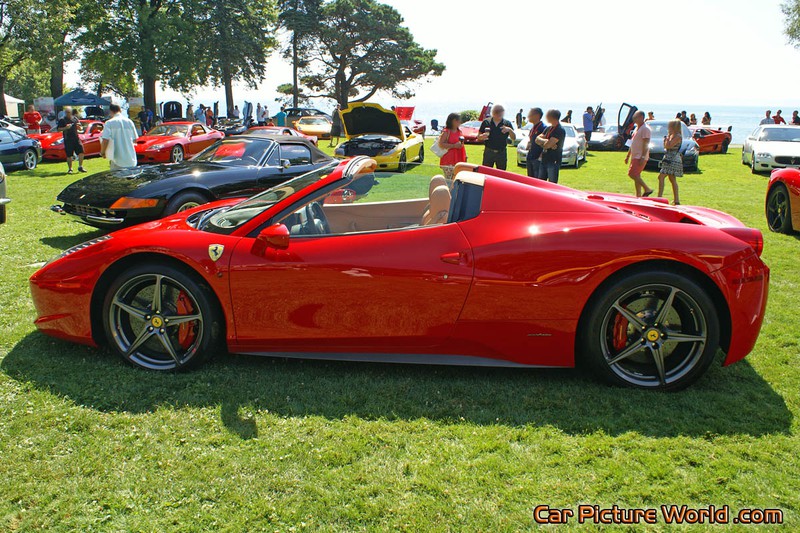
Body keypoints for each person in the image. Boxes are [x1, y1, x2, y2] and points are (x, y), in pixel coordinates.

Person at [624, 110, 654, 197]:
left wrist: (643, 156)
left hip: (640, 156)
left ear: (641, 117)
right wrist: (628, 155)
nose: (634, 119)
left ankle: (647, 189)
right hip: (635, 155)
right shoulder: (637, 128)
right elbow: (632, 143)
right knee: (637, 176)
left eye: (635, 117)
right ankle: (638, 195)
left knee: (632, 174)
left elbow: (646, 143)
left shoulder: (645, 129)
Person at [476, 104, 516, 169]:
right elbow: (478, 136)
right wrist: (482, 136)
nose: (498, 113)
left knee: (501, 174)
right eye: (496, 111)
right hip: (489, 151)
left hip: (501, 152)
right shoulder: (486, 122)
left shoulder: (507, 123)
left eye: (501, 111)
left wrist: (510, 130)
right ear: (493, 112)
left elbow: (513, 138)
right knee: (486, 172)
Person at [100, 103, 138, 170]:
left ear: (111, 111)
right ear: (120, 110)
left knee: (117, 179)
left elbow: (105, 140)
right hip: (131, 158)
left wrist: (103, 152)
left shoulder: (109, 123)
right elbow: (135, 140)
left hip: (117, 159)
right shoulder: (129, 122)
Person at [535, 109, 566, 183]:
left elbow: (547, 145)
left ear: (552, 117)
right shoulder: (548, 128)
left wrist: (545, 143)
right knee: (541, 183)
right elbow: (537, 139)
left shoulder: (559, 130)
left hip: (553, 160)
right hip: (544, 159)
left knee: (552, 183)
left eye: (547, 115)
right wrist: (545, 141)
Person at [656, 119, 683, 205]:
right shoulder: (671, 135)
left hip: (672, 159)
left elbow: (669, 146)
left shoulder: (678, 136)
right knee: (672, 179)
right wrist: (667, 139)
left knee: (661, 177)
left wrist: (667, 140)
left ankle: (659, 197)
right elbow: (666, 146)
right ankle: (676, 200)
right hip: (668, 157)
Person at [437, 113, 467, 181]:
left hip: (459, 159)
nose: (460, 122)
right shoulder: (446, 132)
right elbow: (441, 144)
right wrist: (454, 146)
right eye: (458, 120)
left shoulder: (459, 131)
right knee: (449, 180)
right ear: (453, 121)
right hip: (449, 160)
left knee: (457, 180)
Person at [58, 106, 86, 174]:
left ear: (71, 112)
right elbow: (59, 129)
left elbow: (80, 129)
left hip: (76, 138)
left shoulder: (75, 119)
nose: (68, 114)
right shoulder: (62, 120)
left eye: (69, 112)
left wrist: (79, 127)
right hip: (68, 139)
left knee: (81, 152)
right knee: (69, 155)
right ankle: (70, 169)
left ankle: (80, 166)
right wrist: (66, 128)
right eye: (66, 112)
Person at [525, 107, 546, 179]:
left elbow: (545, 143)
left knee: (537, 179)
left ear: (537, 115)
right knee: (529, 179)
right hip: (530, 156)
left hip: (537, 158)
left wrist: (540, 157)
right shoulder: (533, 128)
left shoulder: (543, 128)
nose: (528, 116)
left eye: (530, 114)